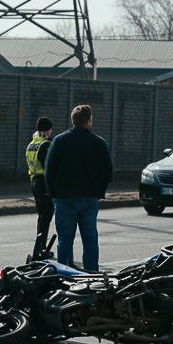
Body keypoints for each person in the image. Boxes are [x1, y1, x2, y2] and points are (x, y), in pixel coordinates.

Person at [43, 104, 113, 272]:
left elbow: (49, 170)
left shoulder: (59, 141)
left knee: (65, 239)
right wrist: (100, 191)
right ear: (89, 121)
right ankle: (91, 273)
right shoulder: (99, 143)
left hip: (64, 197)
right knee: (90, 238)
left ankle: (66, 274)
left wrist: (53, 193)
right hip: (89, 197)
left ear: (72, 121)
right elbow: (108, 171)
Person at [25, 116, 55, 258]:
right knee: (47, 215)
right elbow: (49, 167)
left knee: (42, 216)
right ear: (48, 130)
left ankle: (40, 246)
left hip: (34, 182)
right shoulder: (46, 145)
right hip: (44, 183)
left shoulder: (32, 143)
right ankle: (42, 248)